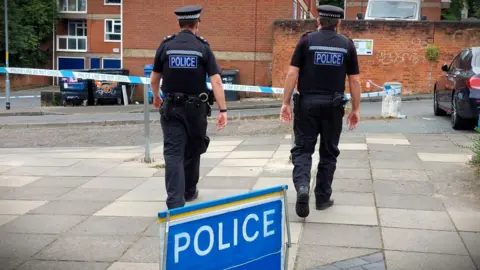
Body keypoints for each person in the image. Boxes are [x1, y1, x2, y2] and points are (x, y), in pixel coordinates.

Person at [280, 5, 361, 218]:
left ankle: (303, 188)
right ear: (338, 23)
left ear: (318, 21)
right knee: (329, 151)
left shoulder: (306, 41)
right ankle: (322, 198)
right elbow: (355, 80)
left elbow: (292, 73)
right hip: (334, 107)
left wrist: (285, 102)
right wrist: (356, 108)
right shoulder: (347, 45)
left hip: (306, 104)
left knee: (303, 150)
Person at [150, 5, 228, 210]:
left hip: (171, 108)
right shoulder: (203, 48)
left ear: (180, 24)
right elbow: (217, 82)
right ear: (197, 24)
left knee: (173, 153)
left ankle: (175, 202)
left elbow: (154, 77)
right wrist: (223, 110)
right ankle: (189, 191)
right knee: (193, 149)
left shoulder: (166, 46)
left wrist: (156, 96)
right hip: (196, 109)